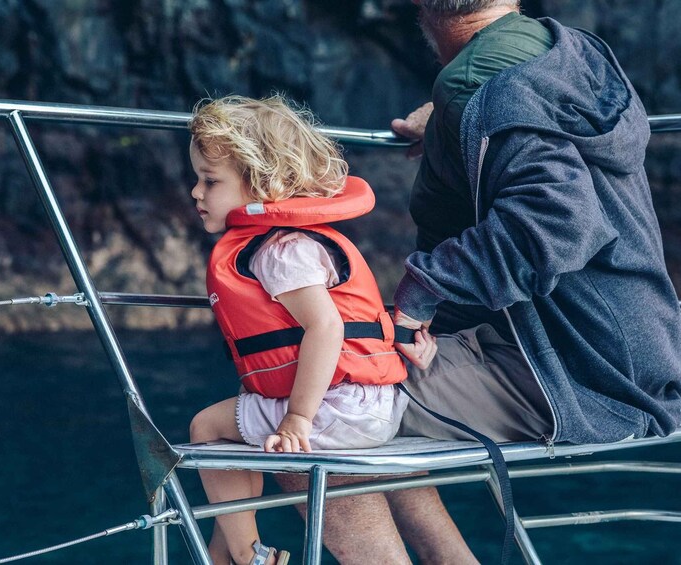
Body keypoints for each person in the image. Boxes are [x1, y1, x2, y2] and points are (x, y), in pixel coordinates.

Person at [279, 1, 681, 562]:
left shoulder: (484, 92)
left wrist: (422, 289)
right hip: (640, 350)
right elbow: (528, 131)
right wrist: (453, 126)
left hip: (576, 373)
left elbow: (560, 220)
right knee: (369, 396)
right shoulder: (567, 50)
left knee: (311, 416)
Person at [187, 95, 435, 565]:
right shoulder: (295, 243)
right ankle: (226, 556)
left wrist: (297, 417)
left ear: (262, 184)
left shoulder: (278, 252)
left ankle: (248, 556)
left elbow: (326, 328)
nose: (196, 192)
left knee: (207, 428)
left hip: (338, 410)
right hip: (370, 403)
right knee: (233, 436)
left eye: (210, 181)